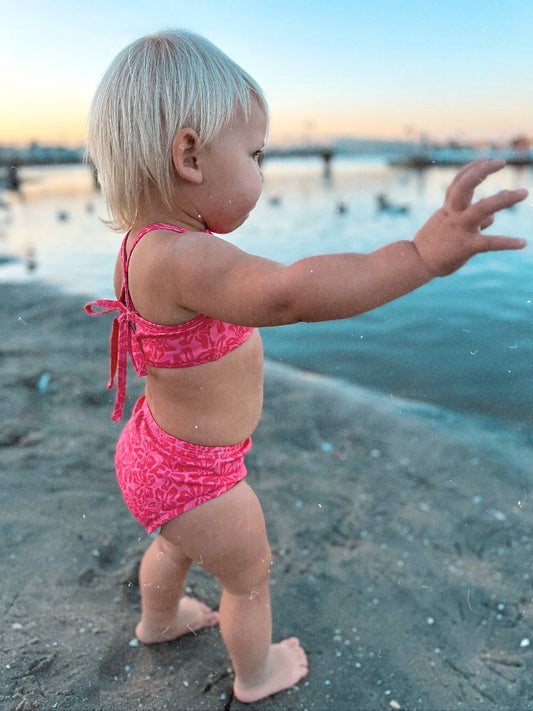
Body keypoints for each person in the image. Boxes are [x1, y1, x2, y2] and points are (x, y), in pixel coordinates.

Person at [85, 30, 528, 704]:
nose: (262, 168)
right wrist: (416, 256)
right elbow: (291, 292)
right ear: (189, 156)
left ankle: (159, 618)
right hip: (198, 476)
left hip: (154, 453)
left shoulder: (144, 246)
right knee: (246, 575)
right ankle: (256, 672)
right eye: (255, 153)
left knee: (176, 543)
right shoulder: (190, 259)